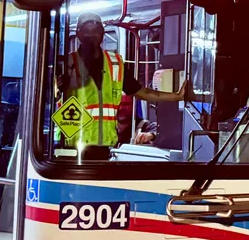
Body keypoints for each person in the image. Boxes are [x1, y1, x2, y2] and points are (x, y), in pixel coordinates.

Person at [59, 12, 187, 148]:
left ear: (102, 34)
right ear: (78, 34)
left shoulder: (115, 64)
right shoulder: (66, 63)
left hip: (105, 146)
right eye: (86, 30)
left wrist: (177, 96)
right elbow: (52, 95)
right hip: (74, 146)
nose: (91, 35)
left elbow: (142, 92)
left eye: (95, 30)